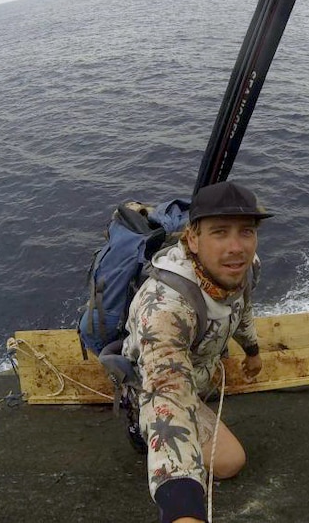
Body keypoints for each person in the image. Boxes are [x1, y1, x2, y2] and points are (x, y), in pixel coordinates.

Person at [122, 181, 271, 523]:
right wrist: (182, 510)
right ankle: (134, 418)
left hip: (198, 369)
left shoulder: (244, 268)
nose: (236, 248)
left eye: (246, 232)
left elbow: (241, 307)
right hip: (158, 381)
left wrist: (252, 350)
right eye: (219, 232)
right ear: (192, 239)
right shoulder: (164, 307)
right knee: (230, 462)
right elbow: (167, 396)